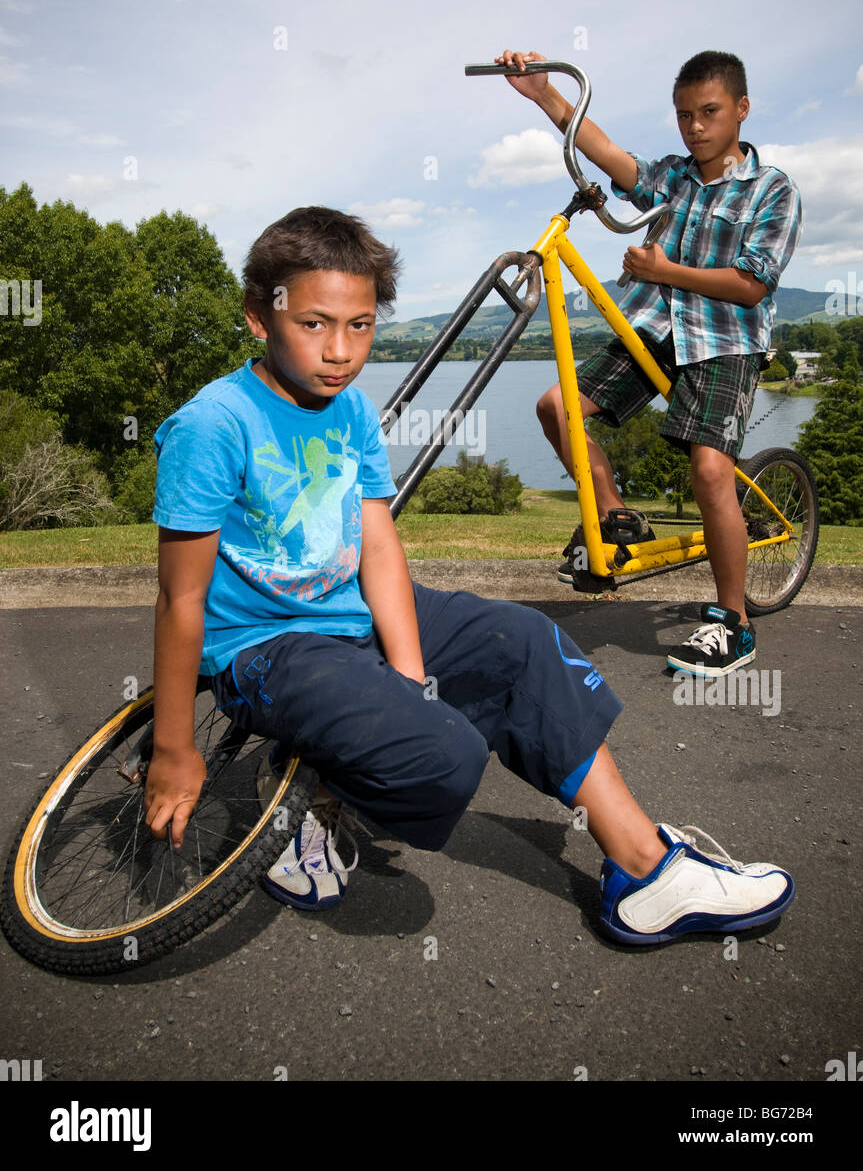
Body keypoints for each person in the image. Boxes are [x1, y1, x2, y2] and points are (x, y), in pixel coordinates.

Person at [144, 205, 795, 943]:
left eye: (360, 326)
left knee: (522, 639)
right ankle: (305, 800)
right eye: (314, 323)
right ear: (259, 318)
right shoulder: (214, 423)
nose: (340, 351)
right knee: (442, 759)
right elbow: (180, 596)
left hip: (350, 608)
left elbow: (379, 548)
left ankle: (646, 872)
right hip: (268, 645)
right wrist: (174, 747)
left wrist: (410, 674)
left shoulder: (349, 411)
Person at [496, 48, 803, 676]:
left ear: (741, 110)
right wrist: (546, 95)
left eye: (709, 112)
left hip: (726, 338)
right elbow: (608, 154)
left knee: (712, 473)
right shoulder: (673, 177)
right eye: (685, 115)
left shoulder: (772, 190)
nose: (695, 126)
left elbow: (752, 286)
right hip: (656, 328)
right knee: (556, 407)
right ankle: (614, 516)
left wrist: (667, 271)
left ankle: (732, 623)